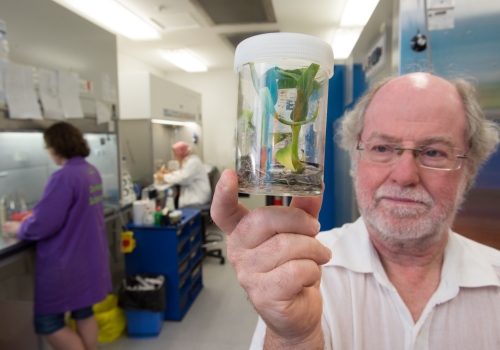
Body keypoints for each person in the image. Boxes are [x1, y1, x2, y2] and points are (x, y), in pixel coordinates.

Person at [211, 73, 500, 350]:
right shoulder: (301, 270)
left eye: (434, 152)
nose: (404, 175)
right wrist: (294, 341)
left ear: (469, 168)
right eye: (382, 148)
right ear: (355, 159)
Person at [2, 122, 111, 350]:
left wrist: (18, 228)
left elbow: (43, 224)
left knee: (48, 322)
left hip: (67, 263)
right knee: (83, 311)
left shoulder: (63, 177)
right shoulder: (90, 171)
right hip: (88, 258)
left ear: (55, 147)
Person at [155, 141, 211, 208]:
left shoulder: (192, 162)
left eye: (176, 155)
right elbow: (183, 173)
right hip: (199, 195)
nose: (175, 158)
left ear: (181, 153)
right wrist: (169, 173)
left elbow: (183, 179)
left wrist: (163, 177)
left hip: (198, 198)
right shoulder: (190, 160)